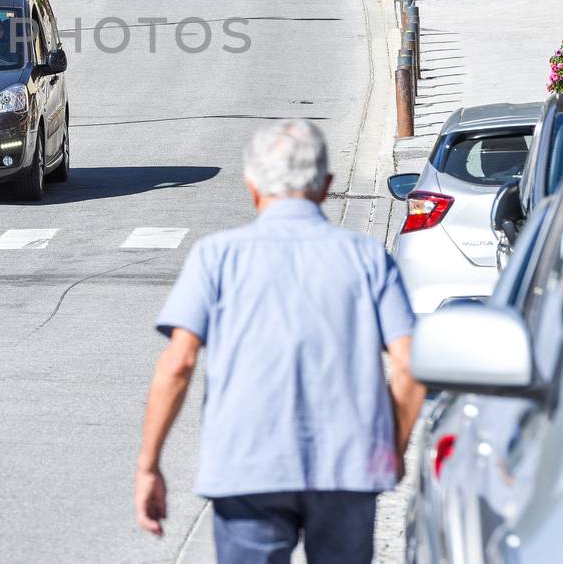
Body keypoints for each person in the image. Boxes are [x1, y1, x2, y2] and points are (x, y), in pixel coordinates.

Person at [135, 119, 426, 564]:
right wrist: (393, 449)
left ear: (252, 186)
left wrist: (149, 465)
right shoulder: (367, 258)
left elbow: (178, 364)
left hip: (248, 468)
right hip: (347, 468)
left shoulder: (216, 257)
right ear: (326, 186)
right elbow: (410, 369)